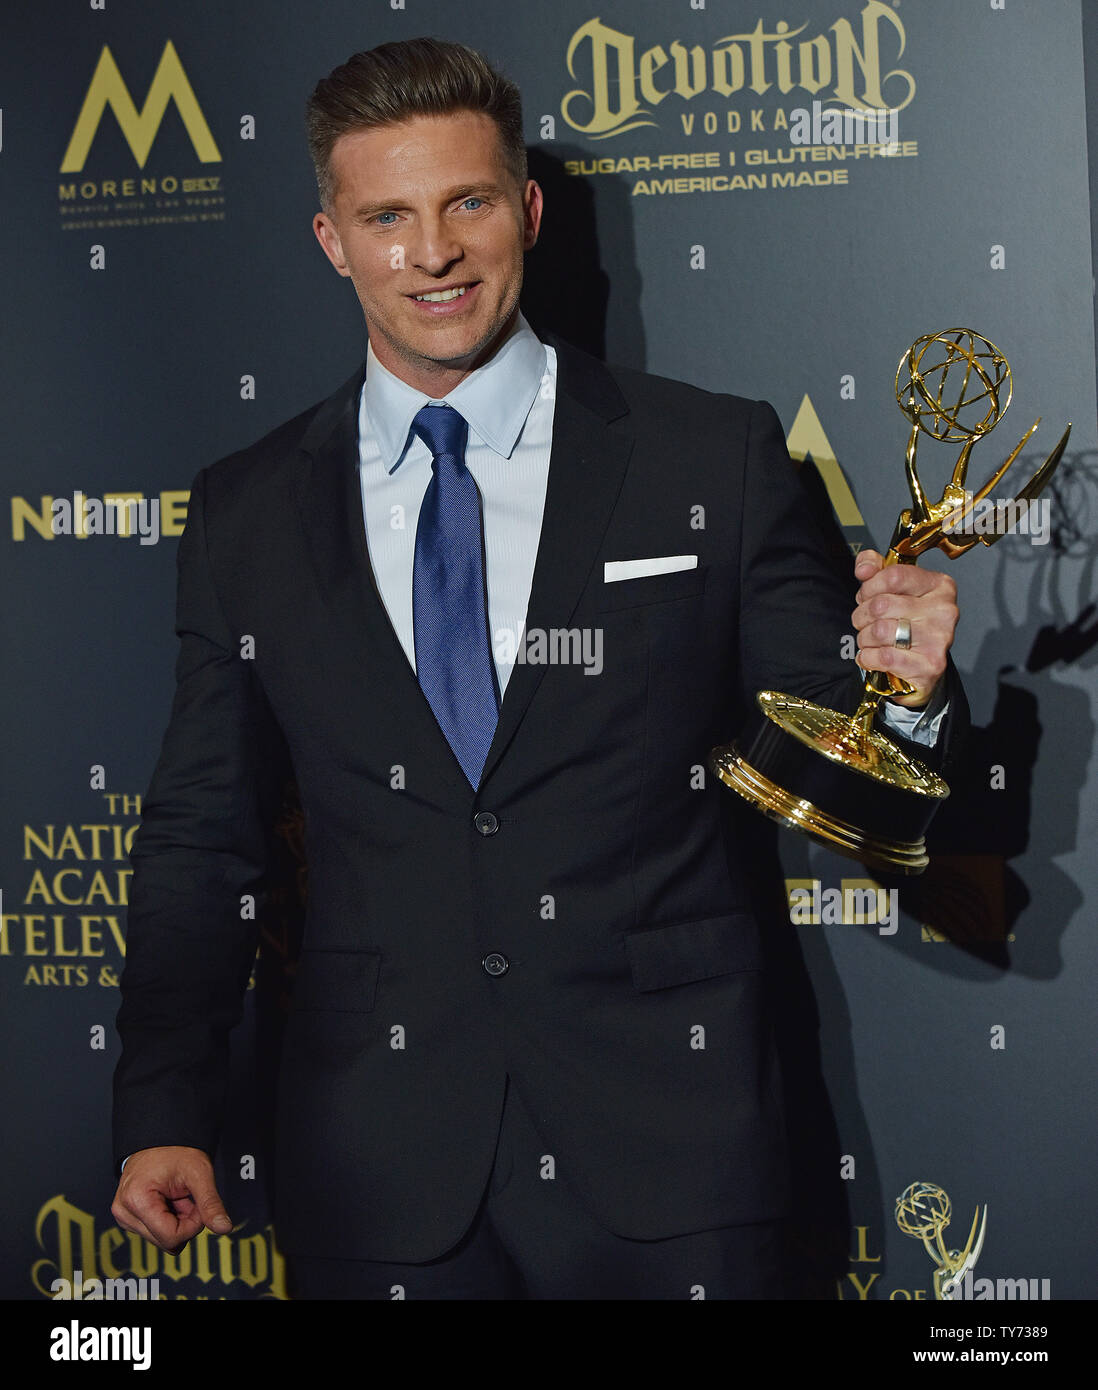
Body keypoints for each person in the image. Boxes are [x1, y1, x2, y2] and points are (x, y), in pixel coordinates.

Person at [110, 37, 963, 1300]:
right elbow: (200, 833)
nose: (434, 251)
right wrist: (166, 1096)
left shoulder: (707, 461)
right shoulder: (244, 513)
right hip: (376, 1161)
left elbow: (836, 763)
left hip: (675, 1155)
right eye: (386, 216)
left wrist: (914, 694)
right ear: (332, 241)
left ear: (528, 210)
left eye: (468, 202)